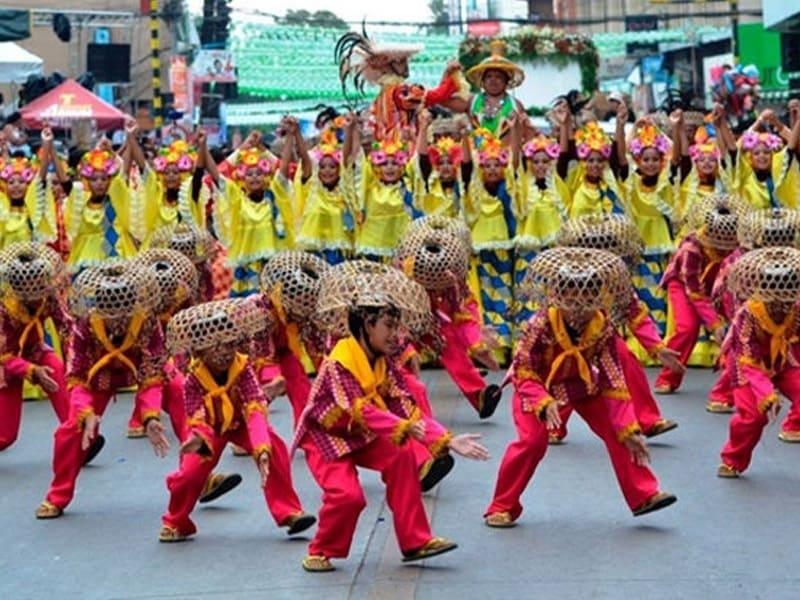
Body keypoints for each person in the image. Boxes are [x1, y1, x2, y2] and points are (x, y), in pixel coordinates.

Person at [294, 264, 489, 572]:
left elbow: (406, 406)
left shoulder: (384, 362)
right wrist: (407, 428)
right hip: (327, 438)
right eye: (388, 325)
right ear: (366, 324)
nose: (396, 334)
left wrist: (447, 440)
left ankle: (415, 541)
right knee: (349, 497)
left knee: (401, 457)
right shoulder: (339, 363)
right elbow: (361, 410)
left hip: (361, 434)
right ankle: (320, 550)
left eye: (397, 326)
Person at [484, 247, 677, 528]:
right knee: (531, 442)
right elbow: (524, 370)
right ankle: (501, 505)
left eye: (587, 296)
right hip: (537, 388)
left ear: (597, 297)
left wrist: (630, 427)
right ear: (556, 296)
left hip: (582, 386)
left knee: (619, 433)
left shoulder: (603, 326)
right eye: (570, 296)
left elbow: (613, 378)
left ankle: (644, 494)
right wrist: (543, 402)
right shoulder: (539, 325)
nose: (578, 304)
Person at [158, 299, 316, 541]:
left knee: (274, 449)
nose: (223, 351)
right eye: (215, 345)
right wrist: (199, 440)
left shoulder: (243, 369)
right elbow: (197, 416)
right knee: (189, 474)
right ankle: (176, 520)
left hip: (241, 423)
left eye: (228, 343)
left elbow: (254, 408)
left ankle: (289, 512)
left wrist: (261, 447)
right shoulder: (192, 380)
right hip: (210, 430)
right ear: (200, 350)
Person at [36, 262, 171, 519]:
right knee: (68, 431)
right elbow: (76, 378)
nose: (117, 319)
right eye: (110, 311)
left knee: (178, 389)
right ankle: (58, 495)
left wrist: (151, 416)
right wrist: (84, 413)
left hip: (139, 372)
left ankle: (200, 473)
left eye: (123, 311)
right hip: (98, 379)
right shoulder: (84, 326)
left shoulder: (148, 321)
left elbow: (153, 373)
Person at [717, 247, 800, 478]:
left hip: (782, 361)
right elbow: (748, 358)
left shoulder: (796, 308)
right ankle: (733, 459)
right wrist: (766, 394)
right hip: (746, 366)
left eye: (785, 289)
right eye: (773, 288)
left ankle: (794, 426)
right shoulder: (748, 314)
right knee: (754, 417)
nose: (779, 300)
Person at [0, 242, 70, 451]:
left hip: (34, 350)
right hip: (7, 364)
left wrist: (76, 366)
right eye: (29, 284)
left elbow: (65, 326)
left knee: (55, 367)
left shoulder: (48, 296)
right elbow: (4, 355)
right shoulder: (4, 309)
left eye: (39, 283)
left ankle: (76, 435)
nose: (35, 290)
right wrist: (32, 371)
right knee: (5, 437)